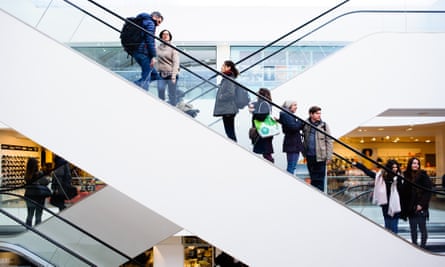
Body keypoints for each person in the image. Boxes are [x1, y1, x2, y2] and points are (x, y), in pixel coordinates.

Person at [353, 159, 403, 233]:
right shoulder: (381, 177)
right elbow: (369, 172)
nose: (395, 169)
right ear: (389, 168)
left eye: (396, 167)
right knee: (388, 226)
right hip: (385, 204)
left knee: (394, 226)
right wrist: (358, 165)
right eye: (393, 167)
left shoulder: (400, 178)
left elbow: (403, 190)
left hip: (395, 204)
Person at [400, 157, 432, 248]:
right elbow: (404, 192)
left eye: (417, 163)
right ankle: (414, 246)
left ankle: (423, 247)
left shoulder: (423, 175)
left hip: (421, 206)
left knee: (422, 228)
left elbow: (428, 191)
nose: (416, 165)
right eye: (414, 163)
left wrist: (421, 204)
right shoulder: (406, 175)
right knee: (413, 228)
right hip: (411, 207)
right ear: (410, 164)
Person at [302, 105, 333, 192]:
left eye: (320, 113)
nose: (319, 115)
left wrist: (329, 156)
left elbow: (329, 141)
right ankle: (314, 195)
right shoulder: (305, 124)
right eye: (317, 113)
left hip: (321, 157)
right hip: (309, 156)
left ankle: (320, 196)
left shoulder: (324, 125)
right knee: (313, 177)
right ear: (311, 114)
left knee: (320, 179)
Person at [133, 11, 163, 90]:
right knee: (146, 78)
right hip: (144, 53)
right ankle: (142, 94)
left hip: (136, 52)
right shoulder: (150, 23)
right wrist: (153, 56)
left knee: (155, 76)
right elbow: (150, 40)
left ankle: (133, 85)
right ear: (155, 17)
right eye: (159, 21)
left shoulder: (142, 21)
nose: (159, 24)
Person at [213, 60, 240, 142]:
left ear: (228, 67)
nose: (221, 67)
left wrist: (221, 97)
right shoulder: (227, 78)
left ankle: (235, 150)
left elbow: (230, 93)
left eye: (223, 66)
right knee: (229, 132)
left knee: (230, 133)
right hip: (228, 110)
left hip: (228, 110)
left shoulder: (229, 79)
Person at [276, 100, 304, 174]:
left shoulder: (287, 114)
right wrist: (300, 121)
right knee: (291, 166)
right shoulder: (286, 114)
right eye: (294, 105)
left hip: (293, 144)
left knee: (292, 166)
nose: (296, 107)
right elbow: (294, 127)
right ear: (289, 105)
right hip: (292, 144)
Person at [249, 88, 274, 163]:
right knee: (265, 152)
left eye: (258, 93)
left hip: (263, 131)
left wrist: (254, 112)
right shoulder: (264, 103)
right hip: (264, 131)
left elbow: (263, 116)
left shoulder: (264, 103)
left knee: (266, 152)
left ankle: (271, 166)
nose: (257, 95)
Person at [24, 157, 50, 227]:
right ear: (36, 165)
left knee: (29, 215)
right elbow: (46, 182)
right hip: (39, 196)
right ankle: (37, 231)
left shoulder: (27, 174)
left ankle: (28, 230)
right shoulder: (39, 174)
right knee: (38, 215)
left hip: (29, 196)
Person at [156, 29, 180, 105]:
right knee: (160, 91)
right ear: (161, 37)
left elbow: (176, 62)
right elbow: (155, 59)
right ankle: (162, 109)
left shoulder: (173, 47)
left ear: (170, 37)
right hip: (161, 74)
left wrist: (173, 76)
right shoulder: (158, 48)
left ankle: (173, 110)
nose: (165, 36)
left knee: (172, 94)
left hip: (171, 74)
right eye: (163, 34)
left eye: (167, 34)